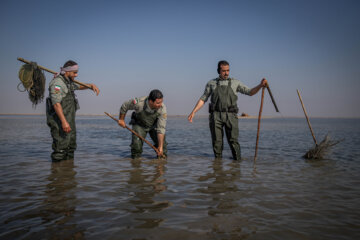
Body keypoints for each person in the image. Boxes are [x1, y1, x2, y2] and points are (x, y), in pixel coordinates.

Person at [188, 60, 267, 160]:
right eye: (224, 71)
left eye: (228, 70)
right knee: (217, 142)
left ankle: (237, 165)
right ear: (218, 70)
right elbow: (203, 99)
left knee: (233, 141)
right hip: (215, 116)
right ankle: (218, 166)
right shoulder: (211, 83)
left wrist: (260, 85)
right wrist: (193, 112)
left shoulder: (235, 82)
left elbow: (250, 92)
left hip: (231, 116)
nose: (226, 73)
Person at [46, 60, 100, 161]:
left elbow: (79, 86)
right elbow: (56, 104)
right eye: (74, 72)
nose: (76, 75)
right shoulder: (57, 83)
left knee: (70, 148)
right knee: (60, 150)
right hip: (60, 123)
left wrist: (91, 85)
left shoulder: (69, 82)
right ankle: (57, 174)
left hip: (69, 122)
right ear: (67, 71)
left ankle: (68, 174)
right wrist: (64, 122)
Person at [118, 89, 167, 159]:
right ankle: (136, 166)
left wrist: (161, 147)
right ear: (150, 101)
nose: (160, 105)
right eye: (158, 103)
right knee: (136, 147)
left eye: (161, 102)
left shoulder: (162, 109)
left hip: (154, 126)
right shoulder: (139, 103)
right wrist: (121, 119)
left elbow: (161, 129)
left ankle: (160, 165)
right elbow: (125, 105)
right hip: (139, 125)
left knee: (163, 148)